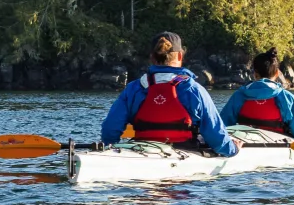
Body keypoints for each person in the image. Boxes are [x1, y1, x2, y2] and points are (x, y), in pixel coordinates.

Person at [99, 32, 239, 156]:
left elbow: (110, 128)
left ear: (152, 57)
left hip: (140, 149)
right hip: (184, 151)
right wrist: (232, 149)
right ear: (179, 55)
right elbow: (215, 134)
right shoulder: (194, 89)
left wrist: (111, 151)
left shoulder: (133, 88)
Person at [220, 49, 294, 140]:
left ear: (255, 73)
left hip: (246, 143)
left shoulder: (239, 95)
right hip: (276, 145)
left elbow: (222, 126)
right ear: (277, 73)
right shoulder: (286, 98)